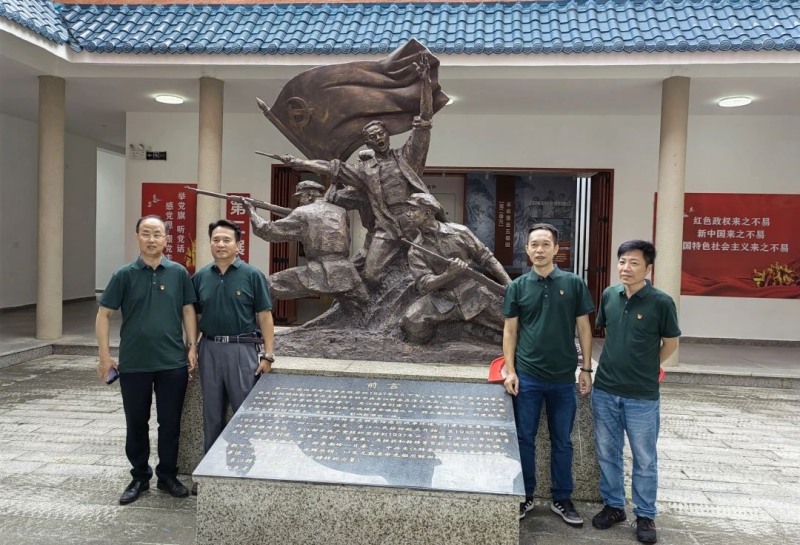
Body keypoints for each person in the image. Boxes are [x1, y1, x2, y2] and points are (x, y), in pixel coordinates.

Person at [272, 54, 438, 284]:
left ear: (387, 135)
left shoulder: (408, 157)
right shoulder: (365, 170)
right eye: (373, 137)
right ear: (367, 144)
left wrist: (425, 82)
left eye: (381, 134)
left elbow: (424, 120)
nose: (378, 138)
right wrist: (299, 163)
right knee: (371, 275)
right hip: (387, 225)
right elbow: (333, 168)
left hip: (415, 221)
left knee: (434, 266)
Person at [96, 215, 198, 505]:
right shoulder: (124, 275)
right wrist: (105, 356)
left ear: (166, 238)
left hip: (172, 363)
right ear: (137, 237)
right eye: (146, 233)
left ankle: (167, 476)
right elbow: (104, 315)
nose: (151, 239)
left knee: (170, 423)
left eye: (157, 234)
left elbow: (188, 310)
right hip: (134, 364)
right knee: (136, 422)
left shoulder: (178, 273)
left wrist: (192, 346)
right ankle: (140, 476)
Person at [502, 222, 594, 525]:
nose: (539, 250)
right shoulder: (517, 287)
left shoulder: (574, 283)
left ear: (556, 248)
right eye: (533, 244)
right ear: (526, 249)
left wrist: (586, 368)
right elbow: (510, 331)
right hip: (527, 376)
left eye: (545, 244)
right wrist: (510, 370)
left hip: (563, 377)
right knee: (523, 438)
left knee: (562, 440)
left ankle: (562, 498)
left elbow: (584, 328)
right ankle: (525, 495)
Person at [590, 240, 680, 544]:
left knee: (644, 457)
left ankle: (645, 514)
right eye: (622, 262)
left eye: (634, 263)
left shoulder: (661, 302)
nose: (626, 268)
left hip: (641, 395)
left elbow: (671, 343)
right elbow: (608, 333)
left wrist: (648, 367)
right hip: (605, 389)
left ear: (648, 268)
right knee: (607, 452)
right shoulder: (609, 295)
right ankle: (614, 506)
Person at [192, 219, 275, 455]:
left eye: (226, 240)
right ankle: (210, 467)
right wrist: (191, 347)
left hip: (241, 349)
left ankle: (244, 464)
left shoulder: (252, 275)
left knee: (243, 410)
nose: (220, 244)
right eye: (216, 240)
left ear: (238, 245)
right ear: (210, 243)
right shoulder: (200, 277)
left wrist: (268, 354)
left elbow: (264, 316)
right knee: (211, 412)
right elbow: (195, 316)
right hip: (209, 348)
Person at [401, 193, 511, 343]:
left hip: (473, 292)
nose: (407, 214)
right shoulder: (415, 250)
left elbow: (486, 258)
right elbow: (424, 285)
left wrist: (509, 284)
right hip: (442, 298)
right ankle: (452, 337)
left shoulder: (460, 232)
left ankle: (474, 332)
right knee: (412, 320)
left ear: (427, 213)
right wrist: (448, 274)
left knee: (513, 323)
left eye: (413, 209)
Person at [243, 181, 367, 304]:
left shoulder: (302, 212)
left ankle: (261, 317)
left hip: (320, 272)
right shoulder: (340, 211)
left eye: (300, 197)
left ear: (310, 195)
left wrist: (251, 211)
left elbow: (268, 231)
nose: (300, 201)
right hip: (346, 271)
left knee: (268, 286)